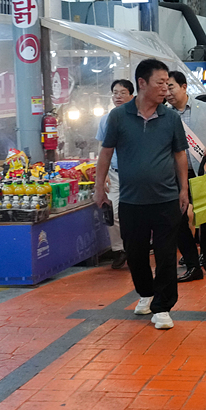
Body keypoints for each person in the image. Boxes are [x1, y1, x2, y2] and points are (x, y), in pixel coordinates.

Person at [93, 59, 188, 330]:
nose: (166, 89)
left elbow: (180, 155)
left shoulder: (171, 118)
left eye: (168, 84)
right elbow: (106, 153)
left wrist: (184, 189)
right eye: (160, 83)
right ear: (142, 83)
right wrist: (99, 188)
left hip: (166, 199)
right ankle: (146, 293)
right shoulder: (119, 116)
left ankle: (163, 306)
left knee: (166, 253)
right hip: (132, 199)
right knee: (135, 253)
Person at [166, 71, 206, 281]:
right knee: (178, 220)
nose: (167, 92)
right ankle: (192, 263)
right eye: (165, 88)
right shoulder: (164, 113)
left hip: (203, 171)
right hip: (175, 175)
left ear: (184, 86)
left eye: (171, 86)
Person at [95, 79, 134, 269]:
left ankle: (135, 247)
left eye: (122, 92)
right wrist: (103, 175)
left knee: (135, 213)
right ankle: (120, 249)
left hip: (136, 174)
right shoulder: (107, 119)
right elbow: (102, 148)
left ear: (132, 95)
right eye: (115, 93)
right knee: (114, 211)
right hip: (115, 173)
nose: (118, 96)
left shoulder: (137, 117)